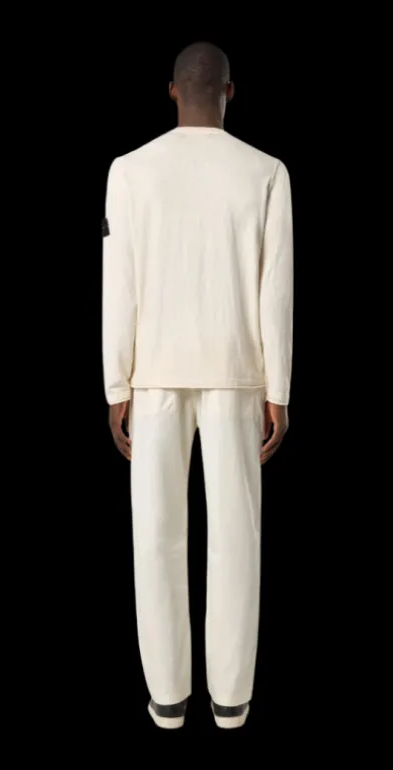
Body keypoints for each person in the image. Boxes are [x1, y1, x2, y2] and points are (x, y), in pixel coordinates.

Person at [102, 41, 293, 729]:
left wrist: (115, 383)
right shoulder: (266, 172)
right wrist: (279, 388)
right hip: (238, 371)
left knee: (155, 537)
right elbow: (277, 290)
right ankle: (232, 700)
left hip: (154, 373)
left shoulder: (130, 171)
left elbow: (118, 284)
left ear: (173, 91)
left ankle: (168, 697)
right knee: (237, 537)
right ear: (230, 92)